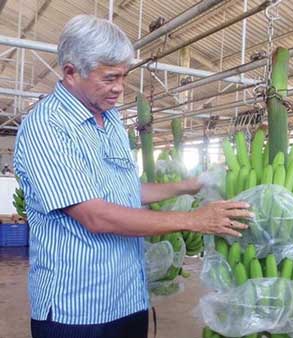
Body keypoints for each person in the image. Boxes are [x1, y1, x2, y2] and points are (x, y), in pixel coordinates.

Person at [13, 15, 251, 338]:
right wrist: (194, 219)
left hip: (127, 298)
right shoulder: (47, 128)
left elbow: (125, 190)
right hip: (78, 310)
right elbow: (94, 215)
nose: (119, 88)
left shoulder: (110, 120)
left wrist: (189, 185)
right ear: (71, 72)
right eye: (109, 77)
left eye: (123, 77)